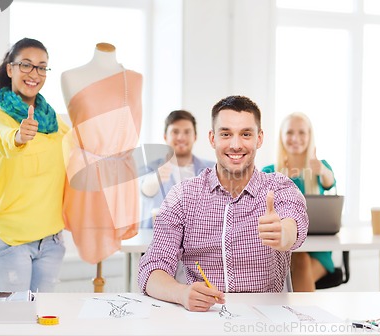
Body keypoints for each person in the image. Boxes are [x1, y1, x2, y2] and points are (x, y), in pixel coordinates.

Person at [138, 95, 309, 312]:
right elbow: (151, 269)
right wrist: (181, 293)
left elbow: (295, 224)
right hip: (202, 320)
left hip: (265, 322)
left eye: (246, 134)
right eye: (226, 134)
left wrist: (282, 234)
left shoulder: (280, 187)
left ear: (259, 138)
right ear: (212, 139)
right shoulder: (182, 196)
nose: (236, 145)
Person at [0, 38, 69, 292]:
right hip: (8, 240)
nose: (34, 74)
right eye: (26, 65)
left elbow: (76, 152)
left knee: (43, 325)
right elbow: (2, 139)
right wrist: (19, 136)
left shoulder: (55, 122)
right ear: (10, 69)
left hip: (50, 241)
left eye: (42, 67)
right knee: (11, 327)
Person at [61, 42, 142, 264]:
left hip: (121, 176)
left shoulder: (135, 80)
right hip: (87, 174)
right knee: (92, 240)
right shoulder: (70, 77)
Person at [262, 112, 336, 292]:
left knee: (300, 261)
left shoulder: (320, 166)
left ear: (310, 136)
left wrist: (322, 171)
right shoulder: (269, 171)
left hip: (317, 253)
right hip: (284, 248)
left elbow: (330, 182)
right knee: (295, 261)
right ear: (282, 137)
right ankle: (306, 317)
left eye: (302, 133)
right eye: (290, 133)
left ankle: (300, 318)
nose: (295, 138)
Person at [139, 110, 214, 228]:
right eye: (175, 131)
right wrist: (155, 178)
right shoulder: (150, 168)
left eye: (187, 132)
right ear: (165, 137)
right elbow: (145, 191)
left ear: (195, 137)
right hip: (156, 241)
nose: (181, 137)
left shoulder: (212, 169)